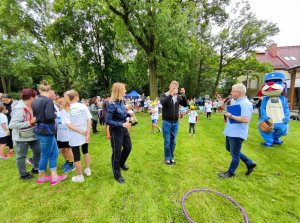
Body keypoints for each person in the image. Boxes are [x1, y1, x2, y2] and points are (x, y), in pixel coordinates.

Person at [32, 81, 67, 185]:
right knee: (45, 154)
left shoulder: (35, 101)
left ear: (39, 90)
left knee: (55, 152)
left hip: (40, 129)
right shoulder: (48, 101)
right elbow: (49, 116)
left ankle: (54, 175)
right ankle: (42, 177)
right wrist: (55, 114)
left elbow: (37, 115)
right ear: (49, 90)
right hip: (47, 131)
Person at [218, 83, 256, 178]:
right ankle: (249, 162)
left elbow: (245, 119)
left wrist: (230, 115)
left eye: (232, 90)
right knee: (230, 149)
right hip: (231, 131)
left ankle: (230, 173)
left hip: (237, 133)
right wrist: (224, 104)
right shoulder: (236, 101)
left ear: (238, 92)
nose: (230, 92)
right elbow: (225, 109)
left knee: (235, 154)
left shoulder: (245, 104)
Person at [9, 88, 41, 180]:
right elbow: (12, 125)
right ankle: (23, 174)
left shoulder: (32, 105)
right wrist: (30, 122)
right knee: (21, 155)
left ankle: (36, 168)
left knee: (38, 150)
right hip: (22, 137)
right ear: (31, 97)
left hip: (33, 134)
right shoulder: (19, 109)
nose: (37, 98)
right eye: (35, 96)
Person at [105, 83, 132, 184]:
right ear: (119, 91)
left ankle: (121, 163)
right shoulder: (112, 104)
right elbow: (107, 121)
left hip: (124, 129)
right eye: (124, 89)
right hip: (116, 131)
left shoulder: (121, 102)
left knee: (128, 147)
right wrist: (121, 125)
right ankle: (117, 174)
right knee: (117, 152)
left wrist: (128, 114)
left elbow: (122, 114)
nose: (125, 90)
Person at [64, 89, 92, 183]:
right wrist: (87, 132)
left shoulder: (66, 108)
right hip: (83, 134)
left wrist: (84, 132)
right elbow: (89, 120)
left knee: (76, 156)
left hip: (74, 136)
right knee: (85, 151)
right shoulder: (83, 106)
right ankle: (87, 170)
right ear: (76, 97)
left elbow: (69, 125)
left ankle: (80, 176)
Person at [160, 81, 187, 165]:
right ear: (170, 86)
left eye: (176, 87)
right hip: (166, 122)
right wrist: (171, 94)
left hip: (175, 122)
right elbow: (163, 103)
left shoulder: (178, 97)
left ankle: (171, 157)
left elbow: (185, 104)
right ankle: (167, 158)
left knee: (174, 141)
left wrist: (183, 95)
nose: (175, 89)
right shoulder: (164, 95)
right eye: (173, 87)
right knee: (167, 141)